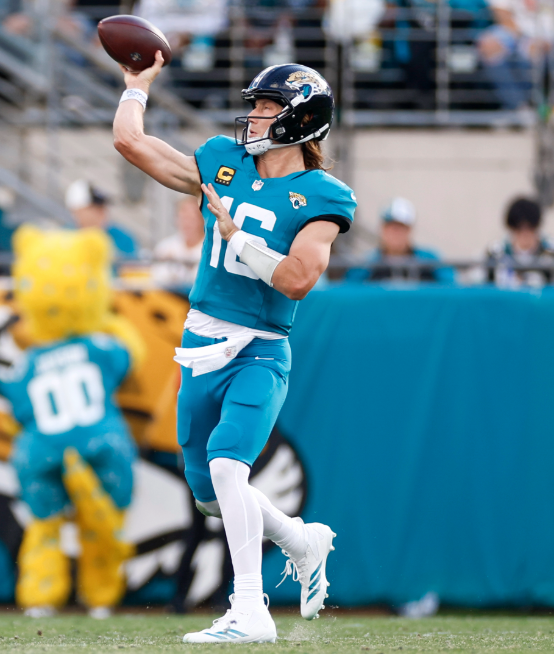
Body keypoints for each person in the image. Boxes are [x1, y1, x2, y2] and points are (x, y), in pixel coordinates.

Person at [114, 58, 355, 643]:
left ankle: (249, 609)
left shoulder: (322, 195)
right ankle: (300, 540)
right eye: (256, 105)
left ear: (301, 120)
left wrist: (237, 237)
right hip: (200, 342)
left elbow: (298, 279)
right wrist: (136, 89)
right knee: (210, 494)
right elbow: (131, 143)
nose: (255, 116)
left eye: (268, 106)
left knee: (228, 465)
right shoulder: (224, 161)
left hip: (260, 349)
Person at [0, 226, 142, 620]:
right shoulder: (98, 347)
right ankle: (100, 598)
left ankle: (41, 597)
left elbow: (19, 409)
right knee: (100, 525)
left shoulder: (30, 361)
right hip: (99, 442)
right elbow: (127, 359)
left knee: (44, 526)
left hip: (41, 450)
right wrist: (108, 324)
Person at [477, 0, 554, 110]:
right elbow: (500, 10)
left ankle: (546, 108)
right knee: (488, 45)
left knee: (540, 53)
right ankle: (519, 108)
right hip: (516, 30)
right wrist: (525, 39)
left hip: (548, 33)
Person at [345, 197, 454, 283]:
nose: (395, 233)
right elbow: (349, 293)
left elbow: (450, 289)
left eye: (401, 228)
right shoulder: (366, 264)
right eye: (391, 227)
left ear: (410, 230)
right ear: (382, 229)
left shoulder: (429, 260)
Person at [485, 196, 554, 286]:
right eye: (519, 228)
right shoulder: (496, 254)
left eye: (530, 228)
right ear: (512, 228)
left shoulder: (549, 254)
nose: (525, 233)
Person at [65, 180, 139, 260]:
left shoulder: (123, 238)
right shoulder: (65, 238)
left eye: (103, 206)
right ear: (77, 211)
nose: (103, 211)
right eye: (95, 207)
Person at [151, 196, 206, 287]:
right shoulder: (165, 247)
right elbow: (154, 277)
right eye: (183, 218)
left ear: (202, 220)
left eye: (192, 218)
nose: (187, 223)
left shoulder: (210, 250)